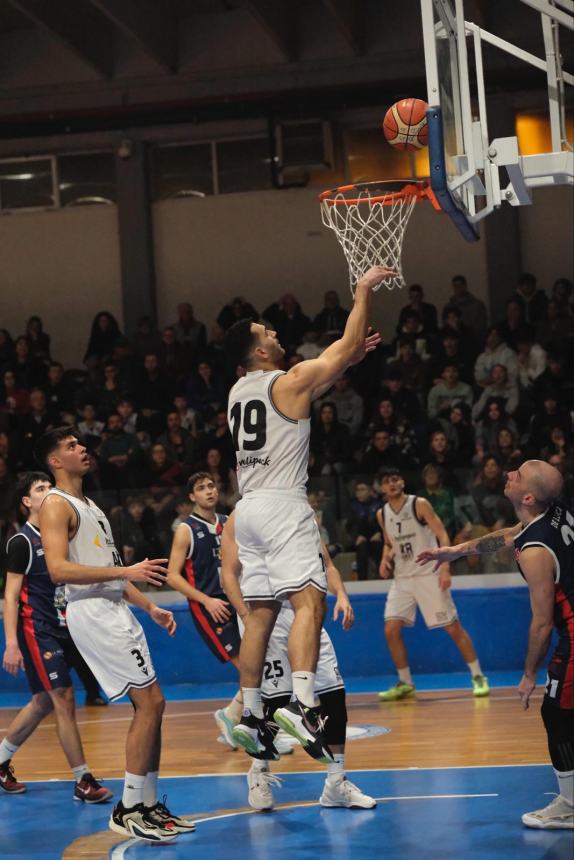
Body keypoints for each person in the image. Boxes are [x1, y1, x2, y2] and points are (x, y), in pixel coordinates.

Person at [223, 264, 388, 761]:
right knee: (309, 605)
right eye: (266, 332)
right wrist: (361, 292)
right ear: (258, 351)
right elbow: (338, 350)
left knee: (258, 615)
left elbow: (330, 370)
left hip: (247, 508)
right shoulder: (289, 380)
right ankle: (300, 702)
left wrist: (348, 357)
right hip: (282, 505)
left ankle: (251, 714)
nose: (274, 333)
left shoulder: (238, 393)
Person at [35, 427, 194, 843]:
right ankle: (128, 809)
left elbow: (116, 575)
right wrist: (124, 572)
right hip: (92, 613)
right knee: (149, 703)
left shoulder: (92, 507)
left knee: (155, 706)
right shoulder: (56, 504)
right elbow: (58, 570)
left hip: (116, 608)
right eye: (70, 447)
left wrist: (151, 607)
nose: (82, 449)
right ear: (55, 462)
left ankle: (148, 804)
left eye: (80, 444)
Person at [416, 460, 573, 830]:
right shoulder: (551, 515)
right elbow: (508, 536)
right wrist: (455, 551)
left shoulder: (536, 552)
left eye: (517, 475)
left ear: (529, 496)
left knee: (556, 715)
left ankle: (569, 805)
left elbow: (542, 623)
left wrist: (529, 673)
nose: (508, 475)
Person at [220, 511, 376, 810]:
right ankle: (259, 771)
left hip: (305, 613)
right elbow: (228, 573)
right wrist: (247, 618)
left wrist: (341, 594)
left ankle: (336, 782)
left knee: (332, 693)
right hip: (266, 616)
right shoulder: (245, 514)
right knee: (276, 702)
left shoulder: (302, 514)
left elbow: (326, 564)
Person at [0, 472, 112, 800]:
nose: (49, 491)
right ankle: (83, 780)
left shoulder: (63, 534)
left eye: (50, 486)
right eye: (40, 488)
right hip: (39, 631)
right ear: (26, 502)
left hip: (69, 627)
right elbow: (11, 596)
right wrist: (10, 643)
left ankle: (1, 761)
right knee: (62, 698)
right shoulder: (22, 541)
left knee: (41, 703)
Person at [375, 469, 489, 701]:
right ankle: (406, 682)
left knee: (452, 627)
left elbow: (442, 535)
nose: (392, 484)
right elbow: (389, 542)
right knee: (390, 629)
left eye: (396, 479)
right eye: (387, 482)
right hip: (403, 578)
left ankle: (478, 676)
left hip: (429, 574)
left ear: (403, 481)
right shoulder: (382, 514)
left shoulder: (419, 504)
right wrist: (384, 558)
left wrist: (445, 567)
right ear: (382, 488)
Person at [166, 472, 243, 749]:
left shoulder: (228, 522)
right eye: (201, 488)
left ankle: (235, 717)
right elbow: (172, 576)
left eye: (212, 485)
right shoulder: (186, 529)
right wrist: (206, 601)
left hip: (236, 600)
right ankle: (240, 720)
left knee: (262, 668)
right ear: (192, 496)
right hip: (210, 607)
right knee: (251, 669)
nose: (209, 491)